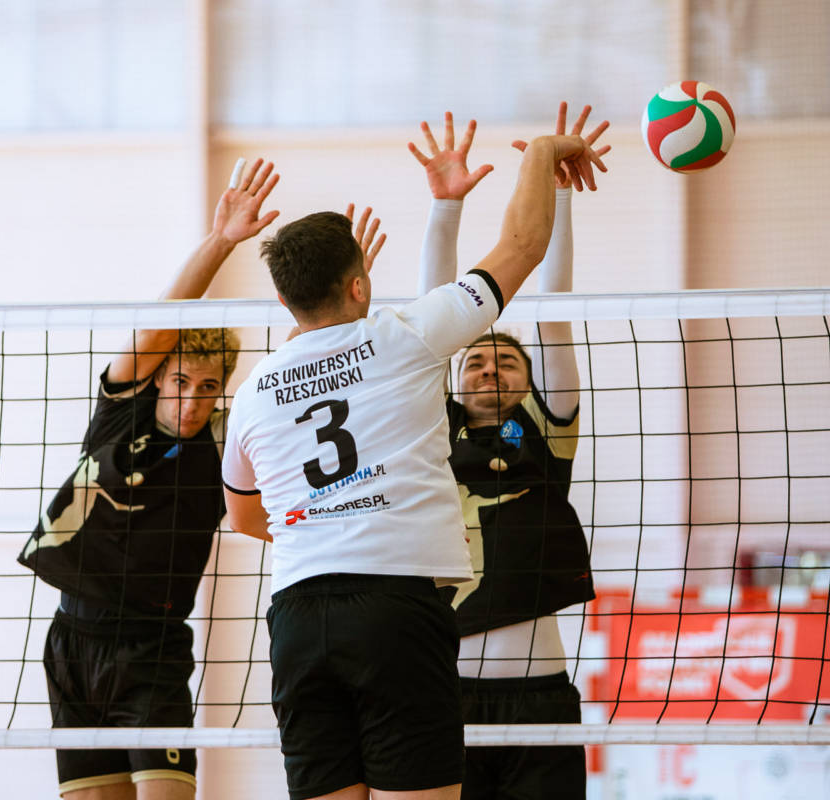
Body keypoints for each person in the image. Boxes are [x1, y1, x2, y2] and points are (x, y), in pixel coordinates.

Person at [221, 122, 608, 800]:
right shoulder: (405, 340)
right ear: (361, 285)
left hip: (297, 617)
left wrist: (327, 520)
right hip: (394, 608)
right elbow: (522, 245)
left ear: (283, 300)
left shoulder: (253, 391)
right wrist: (546, 152)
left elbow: (244, 516)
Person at [17, 158, 280, 800]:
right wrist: (221, 242)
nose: (191, 400)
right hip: (72, 640)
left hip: (152, 647)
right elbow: (162, 321)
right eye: (181, 381)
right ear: (160, 376)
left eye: (208, 387)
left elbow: (259, 509)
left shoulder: (224, 444)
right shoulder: (121, 410)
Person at [412, 105, 608, 800]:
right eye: (475, 362)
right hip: (445, 696)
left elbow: (554, 315)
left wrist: (557, 195)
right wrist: (446, 208)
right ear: (455, 379)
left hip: (539, 700)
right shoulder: (429, 429)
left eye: (505, 363)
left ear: (530, 384)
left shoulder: (547, 431)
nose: (489, 369)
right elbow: (432, 316)